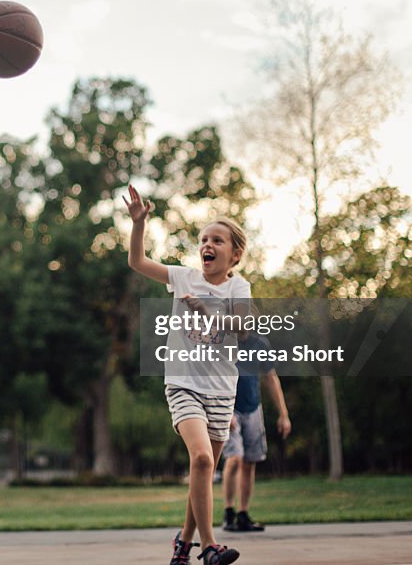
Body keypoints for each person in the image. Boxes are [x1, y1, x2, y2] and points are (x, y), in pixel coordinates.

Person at [124, 184, 245, 565]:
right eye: (204, 239)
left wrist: (206, 312)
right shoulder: (183, 277)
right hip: (183, 385)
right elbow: (138, 262)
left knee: (202, 471)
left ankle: (183, 544)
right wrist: (139, 224)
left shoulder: (240, 288)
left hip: (222, 391)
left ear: (234, 254)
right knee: (203, 461)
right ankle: (209, 547)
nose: (207, 245)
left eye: (218, 240)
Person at [221, 337, 291, 532]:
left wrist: (283, 414)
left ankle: (243, 514)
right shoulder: (222, 342)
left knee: (250, 462)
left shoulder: (259, 344)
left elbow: (271, 377)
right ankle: (228, 513)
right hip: (229, 410)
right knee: (234, 458)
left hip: (253, 408)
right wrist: (223, 410)